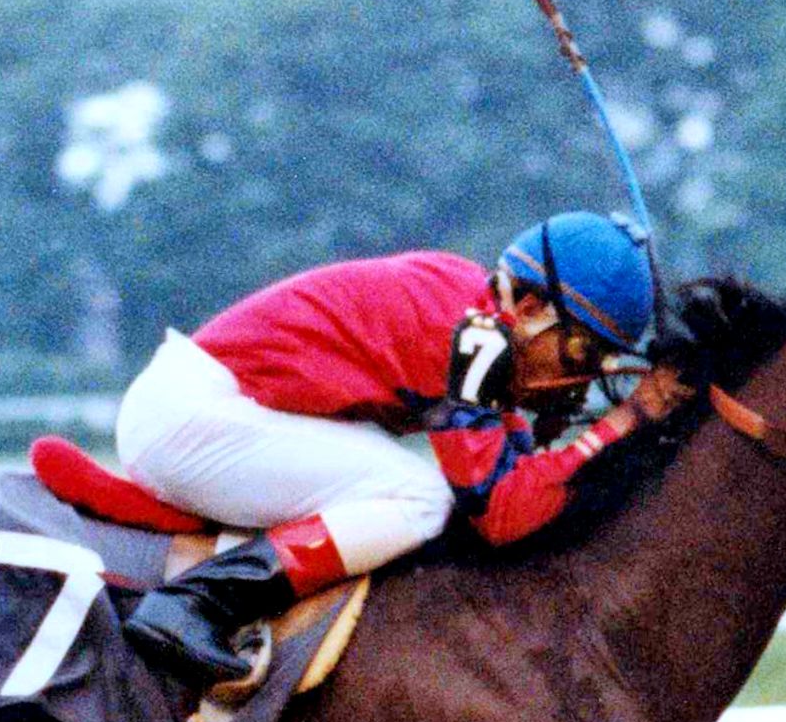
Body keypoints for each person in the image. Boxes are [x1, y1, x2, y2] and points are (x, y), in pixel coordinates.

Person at [111, 213, 669, 685]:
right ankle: (196, 603)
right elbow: (501, 514)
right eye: (577, 354)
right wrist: (630, 418)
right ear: (528, 308)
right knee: (419, 496)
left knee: (408, 484)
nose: (578, 384)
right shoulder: (471, 341)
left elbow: (522, 474)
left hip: (205, 407)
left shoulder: (477, 313)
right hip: (190, 419)